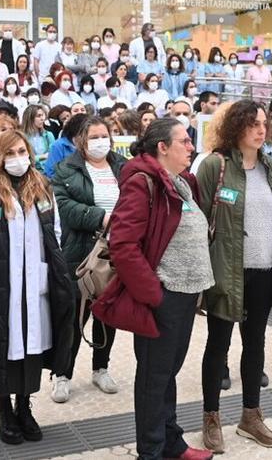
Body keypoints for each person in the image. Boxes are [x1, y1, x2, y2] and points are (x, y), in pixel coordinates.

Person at [95, 119, 214, 460]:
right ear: (163, 147)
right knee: (153, 376)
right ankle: (151, 451)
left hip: (185, 292)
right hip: (163, 295)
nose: (191, 146)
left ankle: (171, 442)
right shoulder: (141, 182)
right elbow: (124, 245)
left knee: (168, 372)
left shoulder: (181, 182)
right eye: (184, 141)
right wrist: (153, 294)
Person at [195, 101, 272, 451]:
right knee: (218, 345)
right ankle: (211, 417)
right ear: (236, 127)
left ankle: (250, 416)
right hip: (226, 273)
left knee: (255, 344)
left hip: (264, 271)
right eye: (253, 124)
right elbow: (197, 223)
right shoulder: (214, 166)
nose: (261, 130)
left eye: (264, 123)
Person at [0, 131, 74, 446]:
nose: (18, 159)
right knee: (5, 346)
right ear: (0, 158)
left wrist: (50, 272)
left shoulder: (42, 187)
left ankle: (25, 407)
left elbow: (53, 231)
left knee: (32, 347)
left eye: (22, 151)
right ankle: (4, 410)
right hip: (1, 284)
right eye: (11, 153)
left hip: (36, 284)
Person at [50, 117, 126, 404]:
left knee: (107, 314)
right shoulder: (66, 169)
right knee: (74, 316)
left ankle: (101, 368)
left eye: (104, 135)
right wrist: (102, 217)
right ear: (81, 140)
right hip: (80, 251)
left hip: (115, 252)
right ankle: (62, 374)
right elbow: (66, 208)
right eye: (93, 136)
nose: (100, 141)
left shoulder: (121, 166)